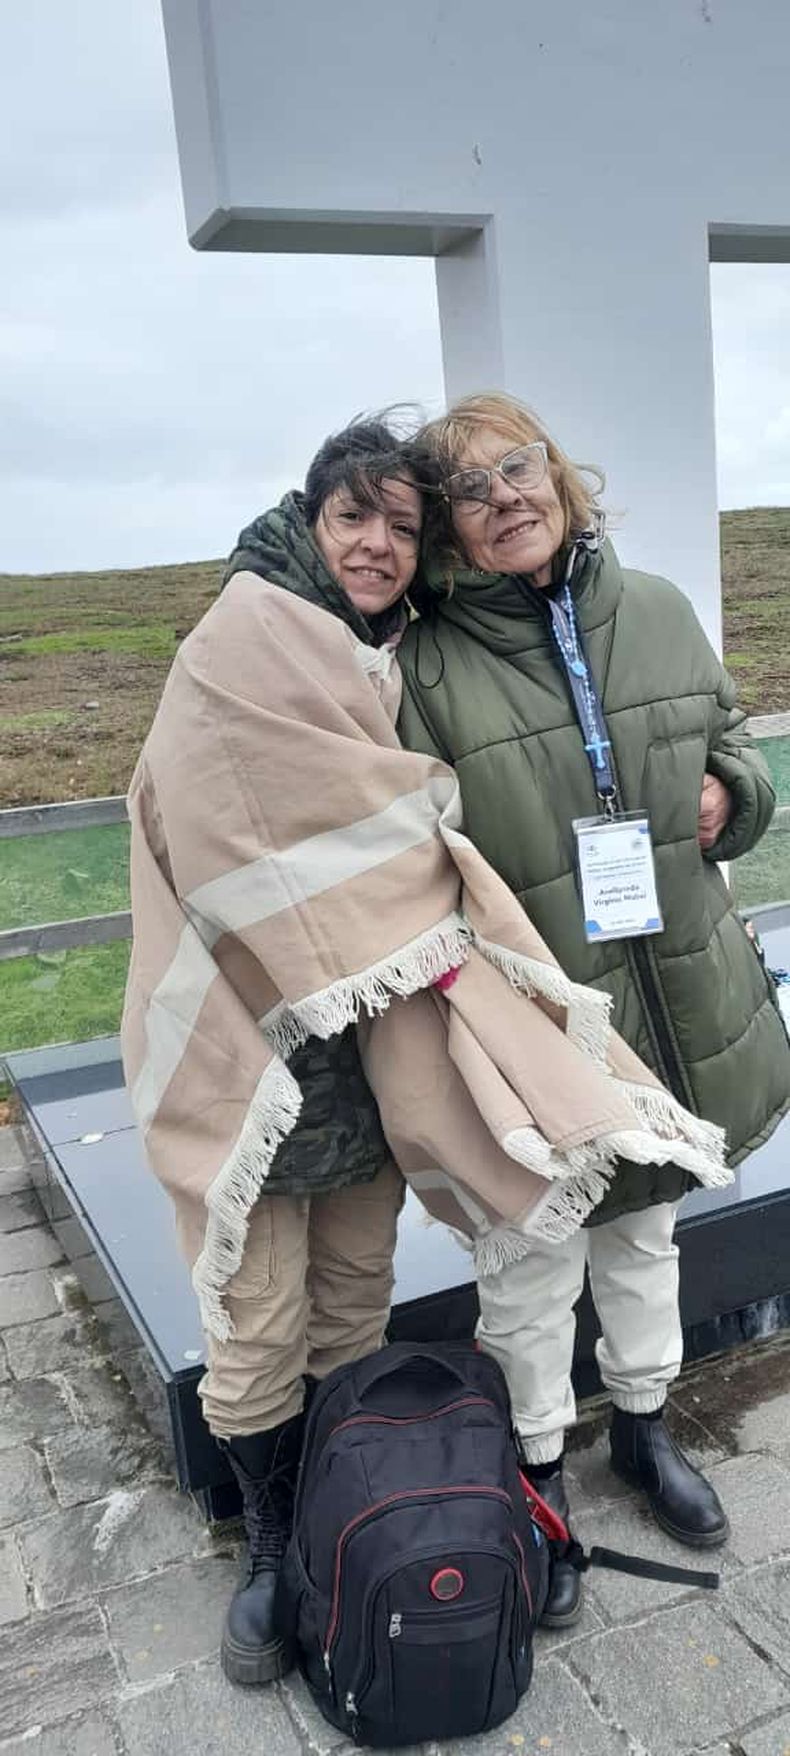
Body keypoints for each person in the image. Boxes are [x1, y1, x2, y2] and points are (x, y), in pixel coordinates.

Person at [399, 391, 790, 1628]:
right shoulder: (423, 663)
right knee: (526, 1259)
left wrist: (733, 787)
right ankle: (536, 1475)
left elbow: (733, 740)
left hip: (673, 984)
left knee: (644, 1233)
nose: (506, 495)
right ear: (451, 529)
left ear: (559, 476)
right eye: (472, 488)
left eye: (519, 466)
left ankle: (639, 1427)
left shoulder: (662, 609)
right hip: (533, 1018)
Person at [128, 416, 422, 1686]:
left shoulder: (402, 654)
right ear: (312, 518)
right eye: (354, 516)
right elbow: (199, 815)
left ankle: (334, 1509)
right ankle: (266, 1536)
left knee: (356, 1293)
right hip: (257, 1045)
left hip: (374, 1038)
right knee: (256, 1316)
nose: (376, 546)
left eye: (403, 529)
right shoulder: (238, 641)